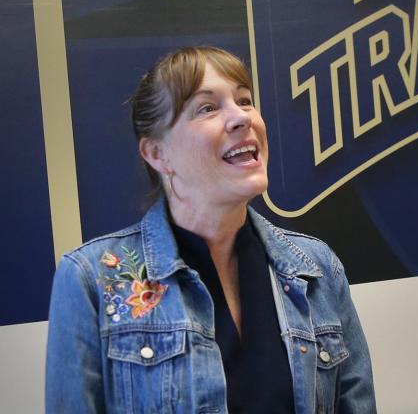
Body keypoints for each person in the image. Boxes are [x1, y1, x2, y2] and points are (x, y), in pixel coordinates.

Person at [45, 46, 376, 413]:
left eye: (245, 100)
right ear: (157, 154)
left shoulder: (316, 268)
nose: (241, 118)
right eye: (208, 107)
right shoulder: (92, 280)